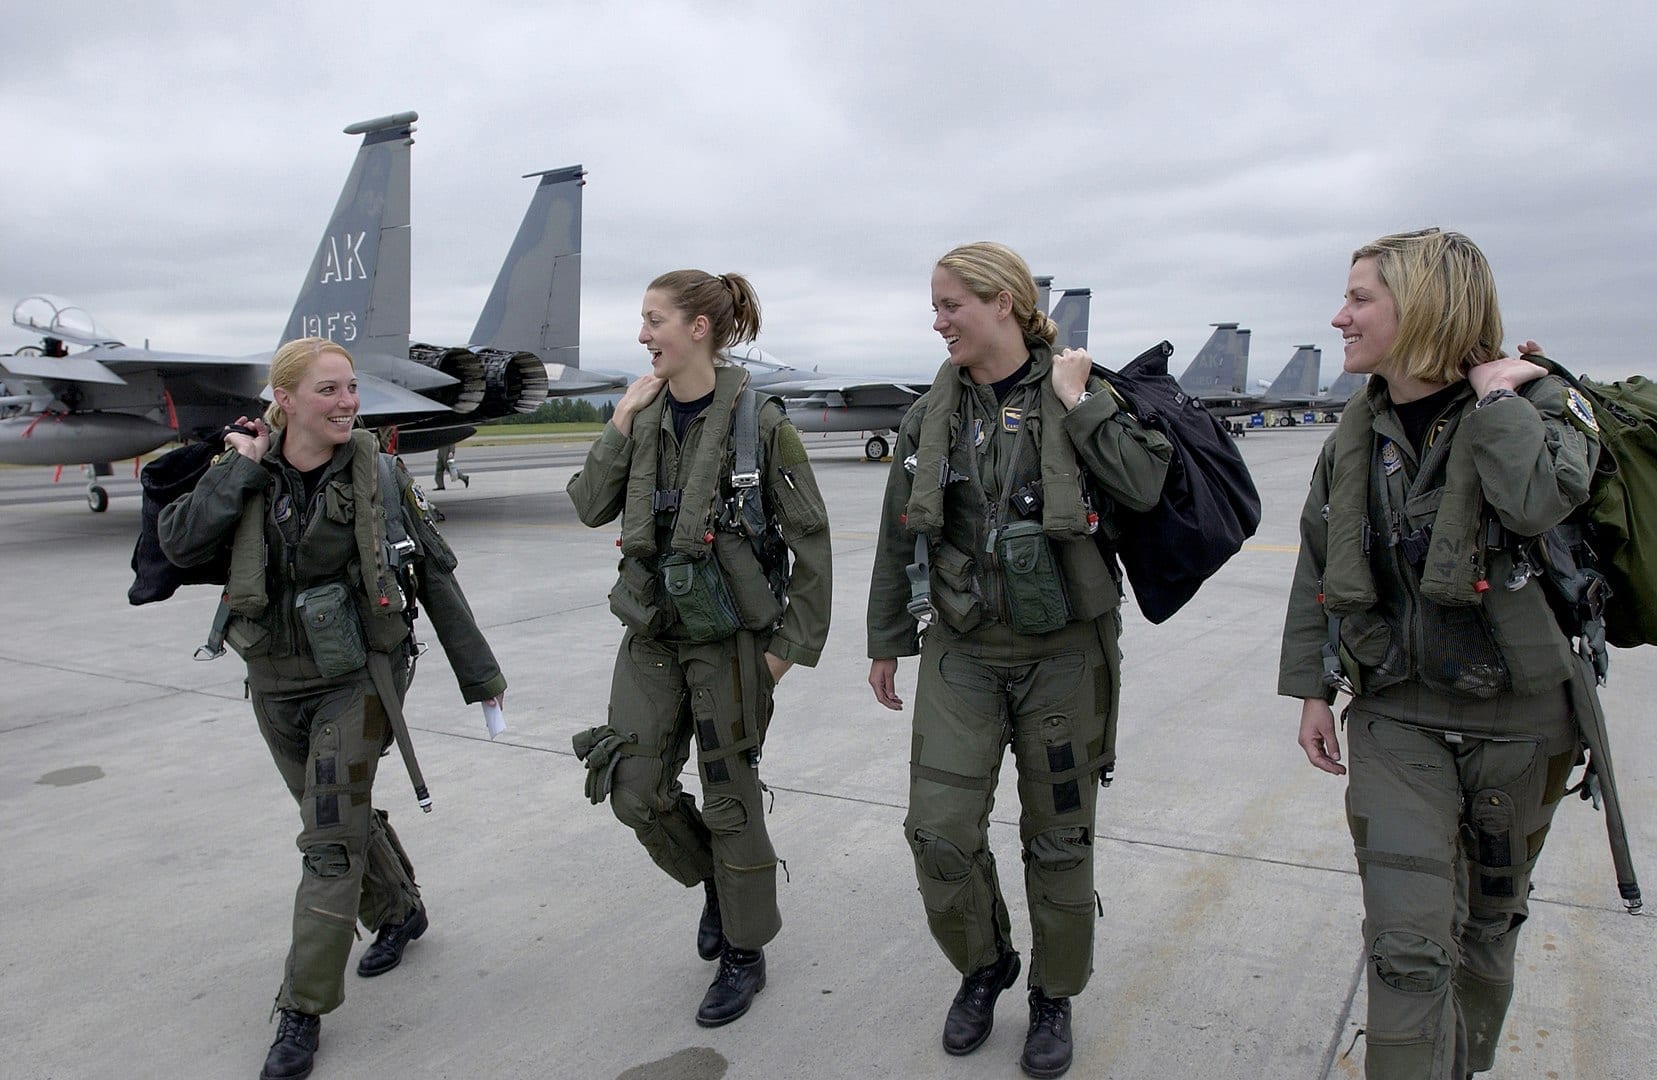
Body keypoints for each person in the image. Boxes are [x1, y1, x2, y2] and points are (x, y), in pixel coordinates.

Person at [1279, 229, 1602, 1080]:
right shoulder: (1355, 432)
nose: (1338, 315)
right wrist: (1312, 687)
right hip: (1397, 717)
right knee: (1407, 947)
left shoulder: (1541, 408)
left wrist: (1497, 406)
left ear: (1419, 305)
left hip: (1522, 725)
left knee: (1485, 934)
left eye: (1359, 299)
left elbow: (1534, 501)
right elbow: (1319, 561)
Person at [159, 337, 506, 1080]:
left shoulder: (379, 475)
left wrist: (480, 676)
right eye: (329, 391)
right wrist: (235, 473)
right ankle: (400, 909)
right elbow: (181, 544)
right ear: (284, 401)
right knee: (334, 817)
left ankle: (300, 1009)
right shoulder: (245, 467)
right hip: (275, 680)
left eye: (350, 388)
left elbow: (434, 574)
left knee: (327, 841)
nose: (348, 402)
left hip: (362, 676)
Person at [866, 242, 1173, 1079]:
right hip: (960, 650)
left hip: (1064, 656)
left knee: (1061, 841)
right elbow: (901, 530)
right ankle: (985, 963)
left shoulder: (1083, 390)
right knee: (938, 829)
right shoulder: (929, 415)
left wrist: (1081, 408)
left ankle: (1053, 994)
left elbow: (1144, 487)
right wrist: (887, 638)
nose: (936, 322)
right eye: (933, 307)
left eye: (948, 304)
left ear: (1001, 301)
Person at [565, 270, 832, 1027]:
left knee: (728, 795)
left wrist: (789, 649)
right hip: (652, 635)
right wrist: (619, 419)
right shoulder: (644, 417)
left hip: (731, 643)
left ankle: (744, 951)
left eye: (654, 320)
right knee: (633, 789)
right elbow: (589, 506)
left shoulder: (761, 424)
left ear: (699, 329)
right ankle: (720, 884)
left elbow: (810, 545)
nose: (644, 334)